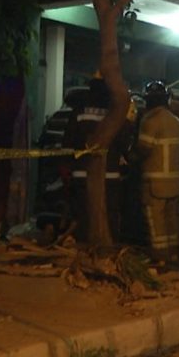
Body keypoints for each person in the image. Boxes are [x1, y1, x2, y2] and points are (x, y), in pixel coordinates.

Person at [62, 76, 123, 243]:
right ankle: (108, 248)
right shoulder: (116, 112)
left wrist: (67, 165)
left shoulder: (80, 111)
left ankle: (83, 248)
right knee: (109, 214)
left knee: (83, 213)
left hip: (82, 173)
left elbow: (68, 142)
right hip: (110, 176)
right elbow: (123, 144)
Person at [135, 80, 179, 261]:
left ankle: (159, 256)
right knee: (170, 220)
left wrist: (129, 156)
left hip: (154, 183)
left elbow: (143, 149)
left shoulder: (150, 121)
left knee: (155, 221)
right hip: (172, 182)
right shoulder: (176, 122)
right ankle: (172, 254)